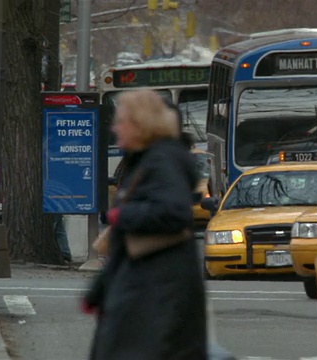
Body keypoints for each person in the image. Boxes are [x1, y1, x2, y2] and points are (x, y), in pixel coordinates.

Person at [83, 89, 207, 359]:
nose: (115, 129)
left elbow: (173, 212)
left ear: (140, 124)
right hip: (146, 294)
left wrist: (121, 215)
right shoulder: (148, 160)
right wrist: (99, 292)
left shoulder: (161, 161)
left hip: (157, 299)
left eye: (121, 121)